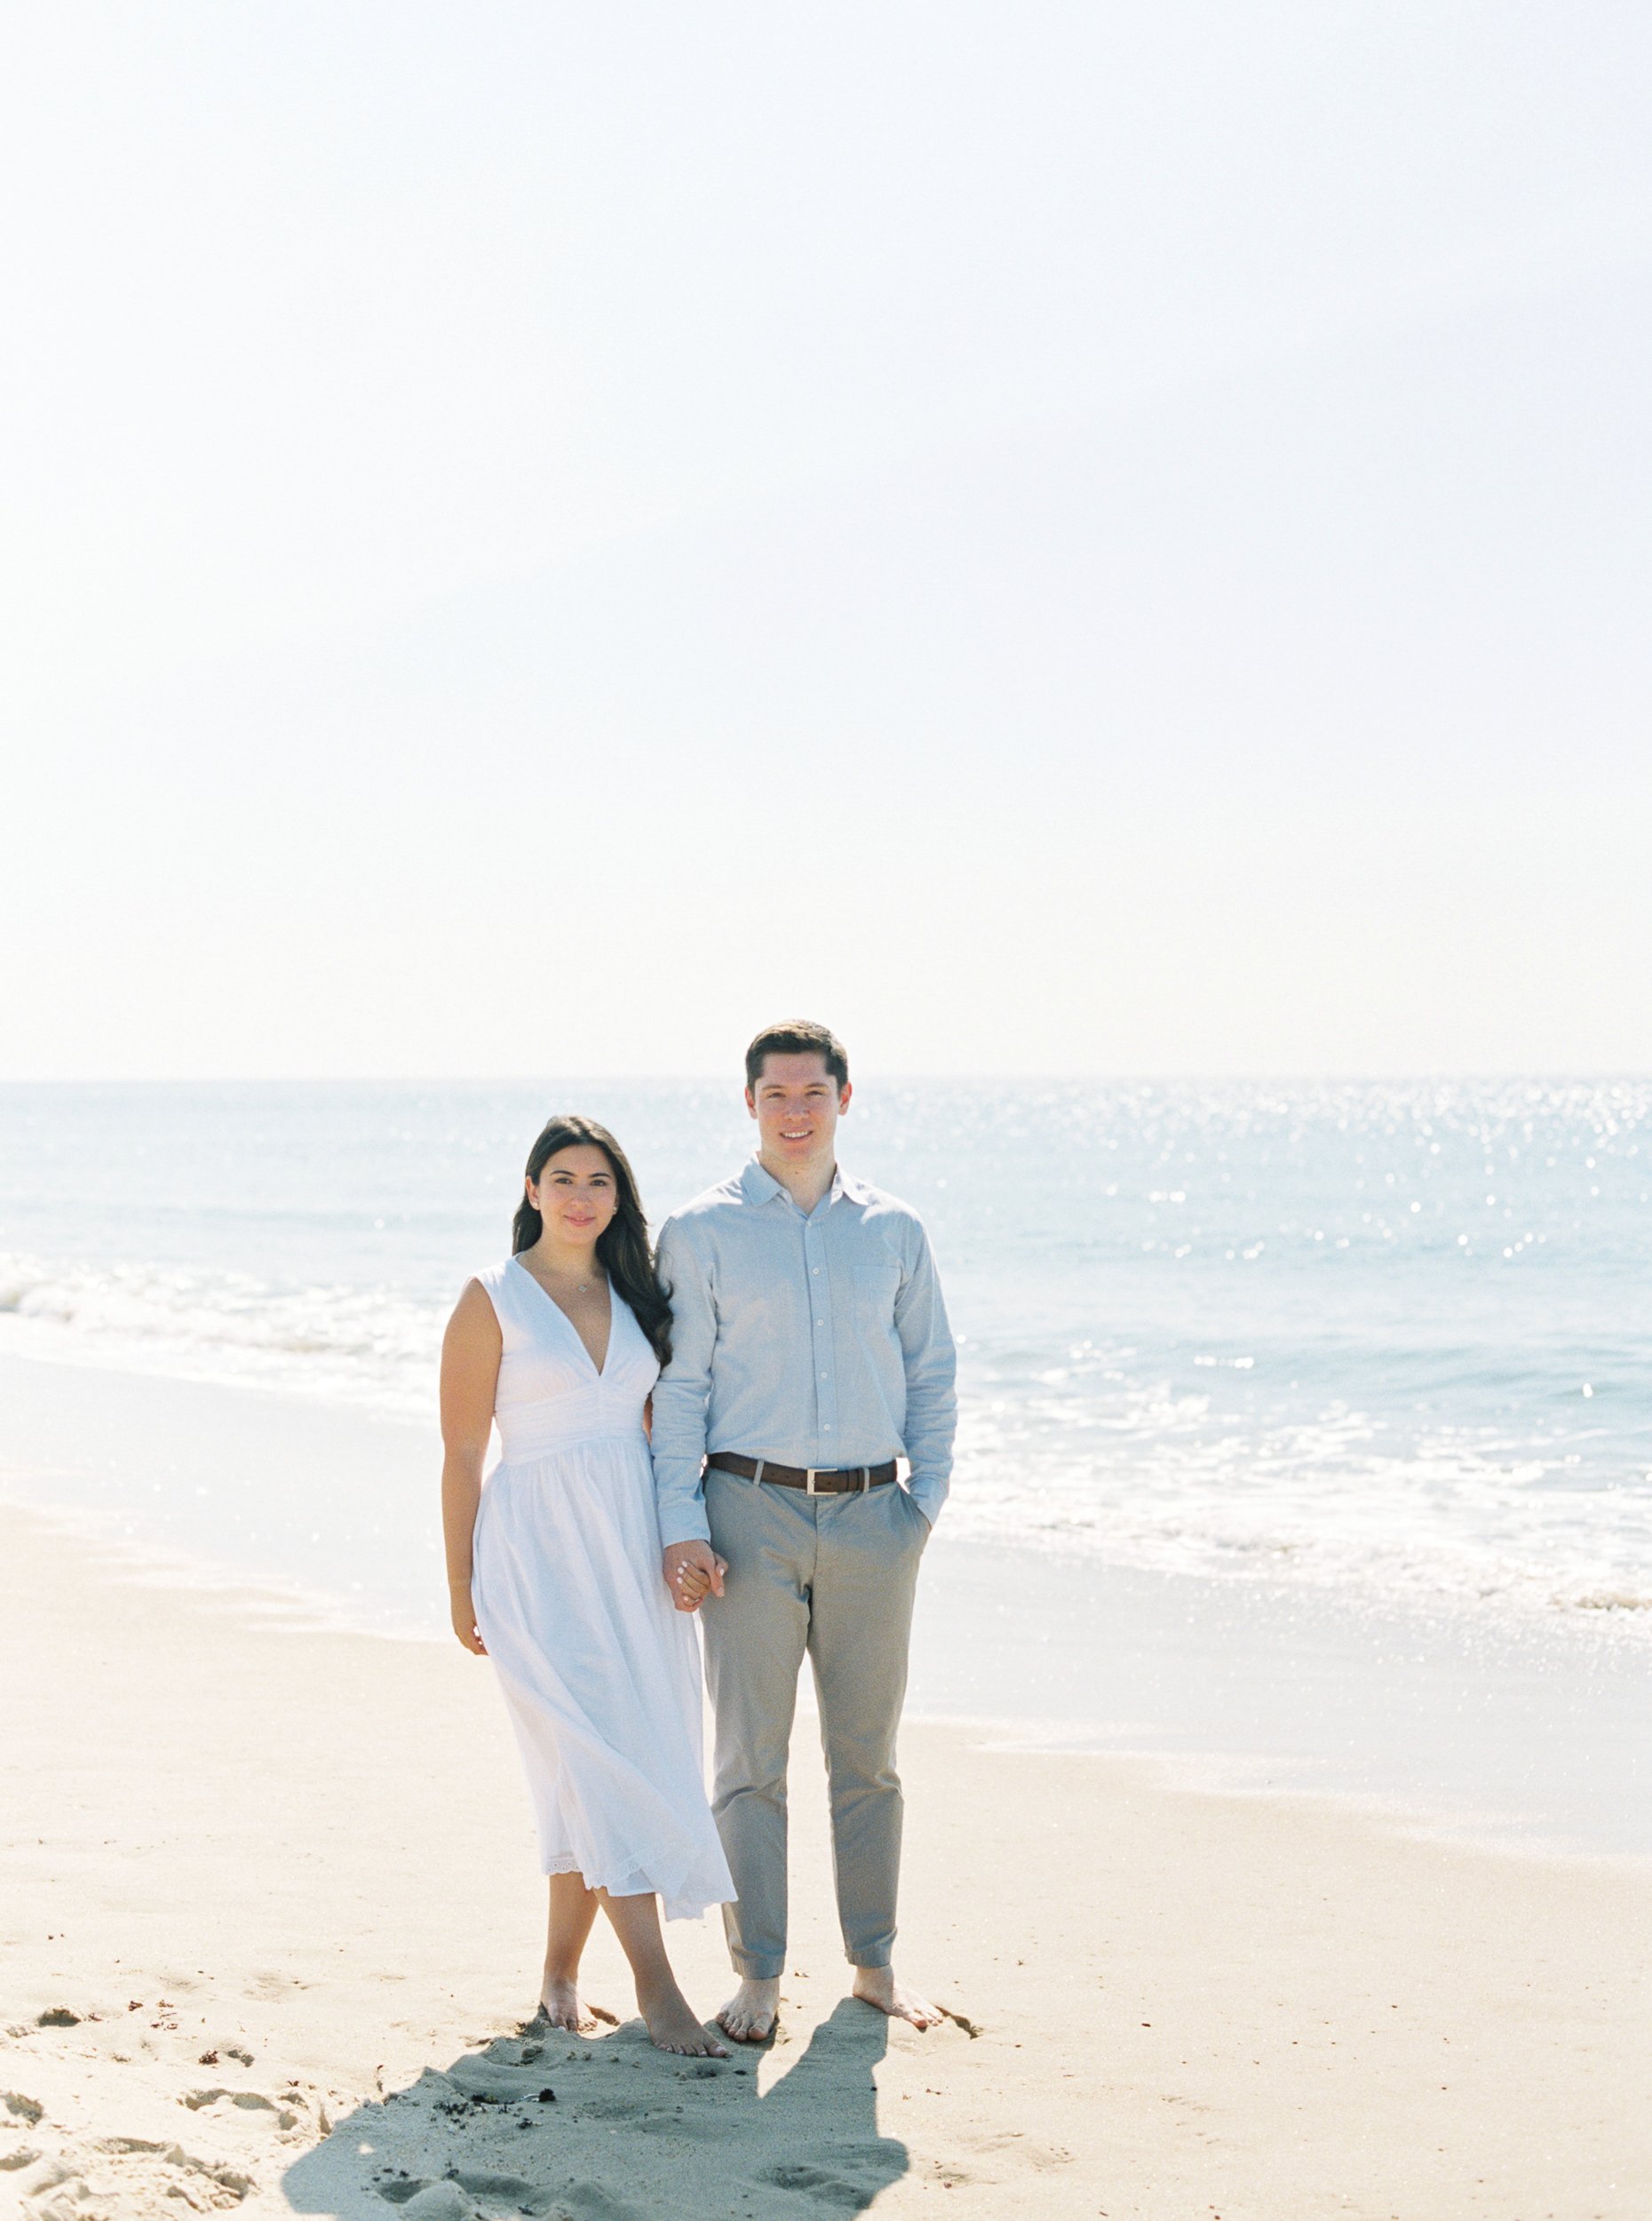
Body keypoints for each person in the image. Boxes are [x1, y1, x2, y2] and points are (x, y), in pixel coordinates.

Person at [652, 1021, 957, 2042]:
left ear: (844, 1097)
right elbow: (681, 1386)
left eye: (812, 1092)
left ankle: (873, 1963)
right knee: (749, 1759)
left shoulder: (895, 1230)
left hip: (878, 1515)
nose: (795, 1111)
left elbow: (933, 1372)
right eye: (777, 1093)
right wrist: (683, 1523)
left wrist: (924, 1503)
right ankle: (760, 1974)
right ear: (749, 1103)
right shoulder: (699, 1232)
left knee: (868, 1755)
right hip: (749, 1511)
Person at [440, 1114, 733, 2058]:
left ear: (619, 1197)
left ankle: (560, 1972)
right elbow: (460, 1453)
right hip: (534, 1554)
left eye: (598, 1181)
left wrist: (687, 1537)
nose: (579, 1195)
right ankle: (658, 1986)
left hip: (630, 1547)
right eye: (560, 1177)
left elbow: (666, 1433)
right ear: (531, 1189)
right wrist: (460, 1585)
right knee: (595, 1754)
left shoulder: (635, 1292)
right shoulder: (492, 1298)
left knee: (600, 1759)